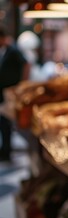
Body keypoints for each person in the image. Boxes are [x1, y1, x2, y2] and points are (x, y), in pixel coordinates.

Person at [0, 24, 28, 161]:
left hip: (11, 92)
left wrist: (22, 85)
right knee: (3, 121)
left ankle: (6, 150)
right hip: (3, 93)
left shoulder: (13, 50)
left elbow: (26, 64)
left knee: (6, 122)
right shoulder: (4, 52)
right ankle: (4, 149)